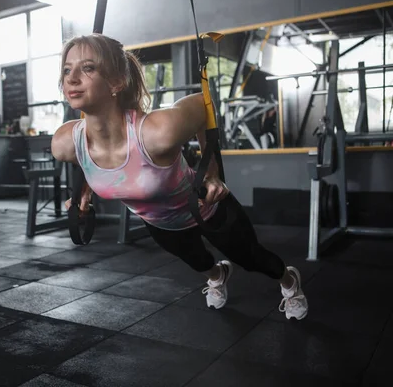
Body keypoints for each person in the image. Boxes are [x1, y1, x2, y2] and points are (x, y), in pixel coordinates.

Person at [51, 33, 308, 320]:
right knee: (199, 262)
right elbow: (93, 163)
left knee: (253, 260)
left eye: (88, 68)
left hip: (206, 208)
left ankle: (289, 281)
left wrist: (211, 173)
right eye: (66, 69)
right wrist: (84, 191)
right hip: (161, 224)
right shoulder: (65, 143)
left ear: (116, 83)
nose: (71, 78)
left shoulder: (157, 132)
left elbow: (202, 104)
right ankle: (218, 275)